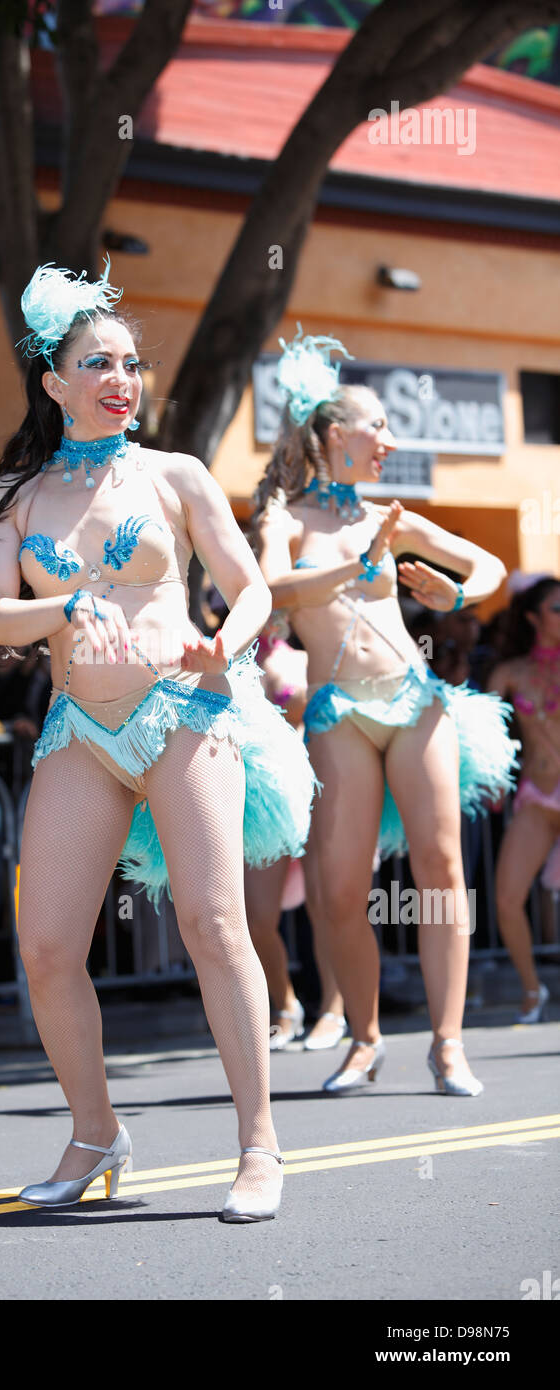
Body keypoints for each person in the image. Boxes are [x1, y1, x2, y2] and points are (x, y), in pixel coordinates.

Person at [0, 261, 317, 1222]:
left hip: (181, 712)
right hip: (81, 727)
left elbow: (250, 588)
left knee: (213, 926)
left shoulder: (178, 474)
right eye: (97, 364)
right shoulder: (14, 496)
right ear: (54, 383)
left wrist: (225, 644)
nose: (122, 379)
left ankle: (258, 1146)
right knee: (45, 947)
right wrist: (64, 607)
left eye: (129, 363)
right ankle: (96, 1133)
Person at [252, 328, 519, 1098]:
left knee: (440, 869)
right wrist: (353, 564)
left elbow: (490, 566)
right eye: (379, 428)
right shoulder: (284, 514)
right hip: (337, 712)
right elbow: (270, 592)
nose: (389, 441)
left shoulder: (388, 516)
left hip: (414, 703)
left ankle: (447, 1043)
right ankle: (364, 1039)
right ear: (337, 434)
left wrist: (456, 592)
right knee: (339, 891)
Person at [244, 618, 346, 1051]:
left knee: (328, 909)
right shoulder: (223, 658)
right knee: (257, 918)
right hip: (263, 801)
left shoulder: (307, 659)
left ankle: (334, 1010)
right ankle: (285, 1005)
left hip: (313, 791)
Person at [488, 576, 560, 1022]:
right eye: (557, 608)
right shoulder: (509, 673)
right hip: (536, 794)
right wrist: (493, 777)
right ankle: (533, 990)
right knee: (507, 897)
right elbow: (486, 732)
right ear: (533, 618)